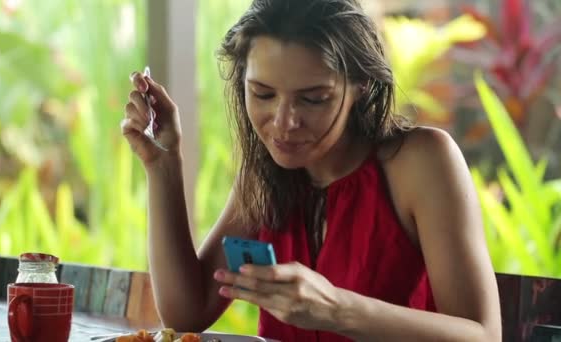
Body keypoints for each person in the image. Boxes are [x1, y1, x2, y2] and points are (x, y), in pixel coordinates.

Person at [121, 0, 502, 340]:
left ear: (361, 86)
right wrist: (163, 164)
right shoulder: (265, 173)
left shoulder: (420, 162)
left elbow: (482, 336)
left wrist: (337, 309)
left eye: (313, 99)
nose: (284, 123)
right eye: (263, 94)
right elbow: (187, 314)